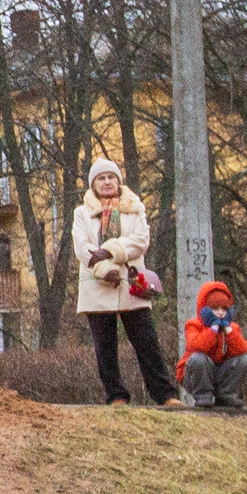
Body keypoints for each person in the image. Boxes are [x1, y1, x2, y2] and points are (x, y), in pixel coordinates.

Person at [70, 158, 177, 406]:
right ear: (93, 184)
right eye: (101, 178)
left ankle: (164, 394)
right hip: (97, 283)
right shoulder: (81, 213)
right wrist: (104, 268)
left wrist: (108, 251)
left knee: (147, 341)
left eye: (111, 177)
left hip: (131, 283)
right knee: (104, 347)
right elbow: (82, 247)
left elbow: (140, 241)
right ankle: (116, 395)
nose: (107, 182)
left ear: (118, 181)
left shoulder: (134, 207)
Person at [178, 280, 247, 409]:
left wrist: (229, 333)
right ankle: (203, 395)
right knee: (198, 359)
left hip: (219, 372)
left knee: (245, 360)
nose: (221, 312)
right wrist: (212, 330)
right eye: (215, 309)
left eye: (224, 309)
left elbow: (242, 349)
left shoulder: (232, 328)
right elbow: (197, 346)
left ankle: (227, 394)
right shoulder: (193, 325)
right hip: (195, 374)